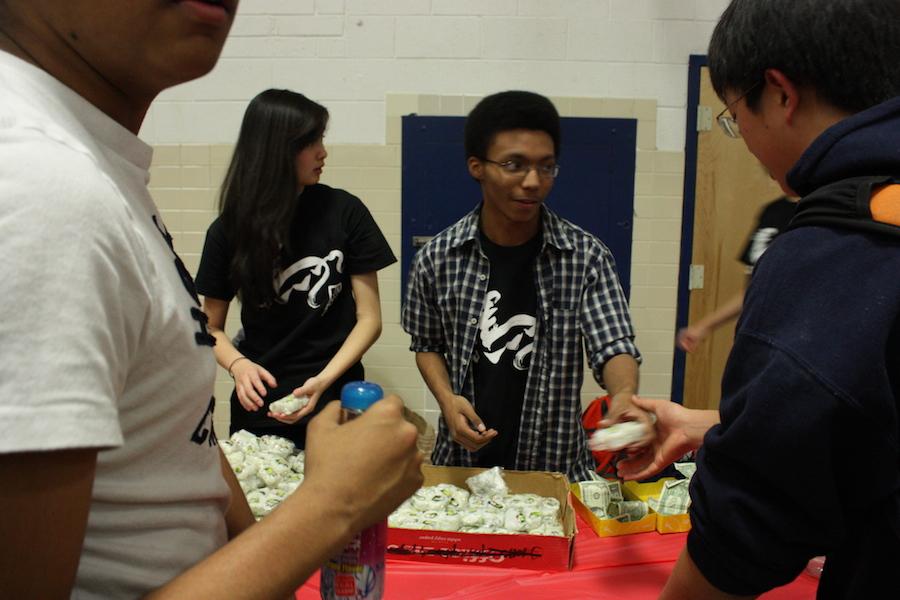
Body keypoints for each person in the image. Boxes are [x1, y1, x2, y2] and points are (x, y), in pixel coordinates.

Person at [0, 1, 422, 598]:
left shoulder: (99, 174)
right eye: (312, 140)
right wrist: (336, 503)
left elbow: (181, 442)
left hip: (319, 414)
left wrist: (260, 535)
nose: (323, 152)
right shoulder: (36, 181)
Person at [616, 0, 900, 597]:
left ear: (779, 94)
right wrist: (715, 423)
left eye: (734, 114)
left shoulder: (842, 243)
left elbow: (755, 515)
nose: (741, 136)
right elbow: (866, 415)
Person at [402, 90, 652, 483]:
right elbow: (427, 344)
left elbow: (614, 344)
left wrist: (621, 397)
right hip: (462, 469)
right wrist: (448, 401)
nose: (533, 182)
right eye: (514, 165)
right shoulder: (437, 258)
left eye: (547, 167)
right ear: (477, 166)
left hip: (554, 471)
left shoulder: (585, 257)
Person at [195, 88, 396, 448]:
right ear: (277, 150)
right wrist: (239, 366)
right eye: (311, 142)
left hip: (339, 400)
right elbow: (210, 328)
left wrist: (324, 380)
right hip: (261, 405)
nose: (323, 152)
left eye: (322, 138)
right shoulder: (228, 230)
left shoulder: (345, 211)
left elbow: (371, 319)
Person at [676, 195, 797, 353]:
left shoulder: (820, 210)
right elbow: (752, 291)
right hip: (761, 343)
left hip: (796, 347)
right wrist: (703, 327)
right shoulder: (773, 211)